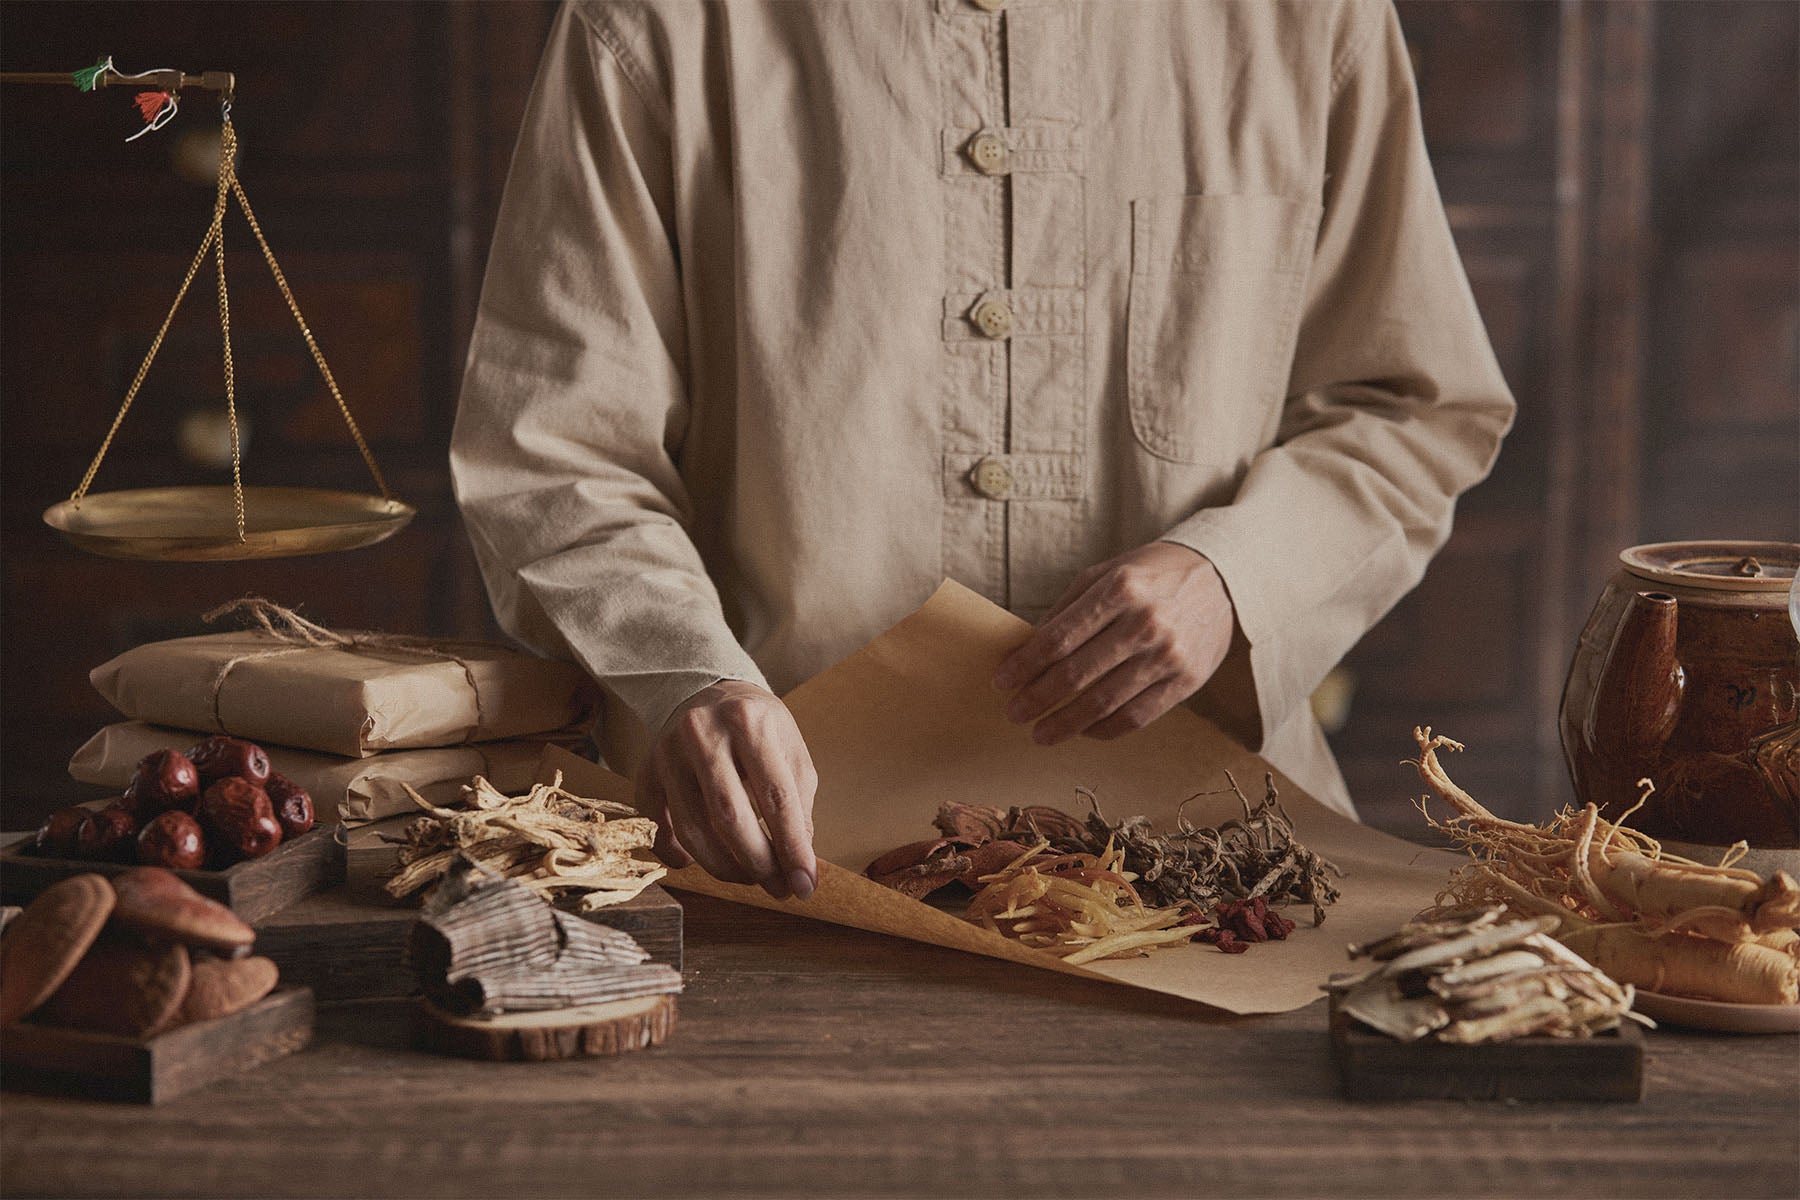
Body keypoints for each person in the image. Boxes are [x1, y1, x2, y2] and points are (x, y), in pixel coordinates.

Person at [450, 0, 1515, 902]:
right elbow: (553, 446)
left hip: (1215, 865)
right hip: (769, 868)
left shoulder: (1309, 18)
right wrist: (683, 673)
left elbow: (1410, 402)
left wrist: (1234, 575)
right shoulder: (662, 22)